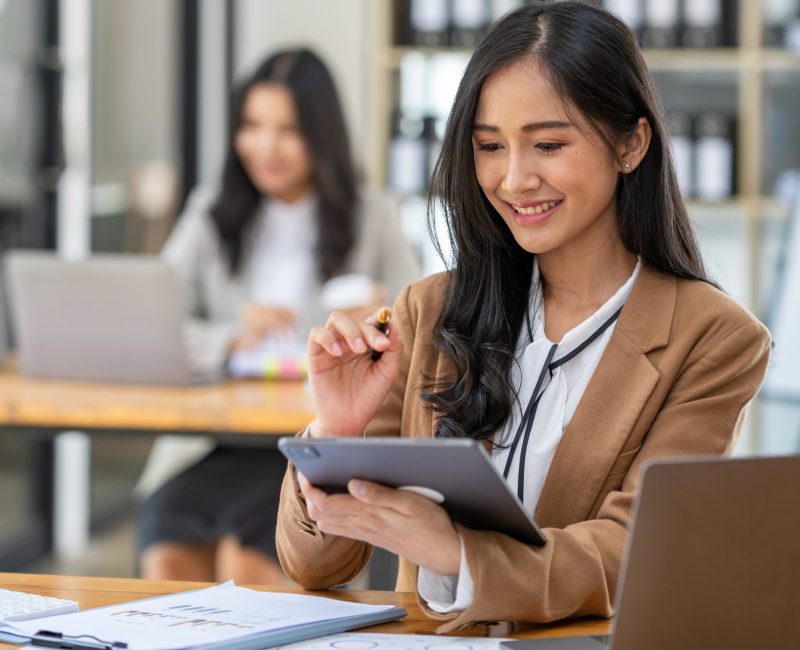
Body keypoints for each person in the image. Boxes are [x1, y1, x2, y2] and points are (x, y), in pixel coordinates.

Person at [275, 2, 771, 633]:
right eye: (489, 146)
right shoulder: (427, 310)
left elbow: (637, 553)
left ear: (631, 144)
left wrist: (459, 554)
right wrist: (335, 438)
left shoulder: (715, 339)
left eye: (548, 144)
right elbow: (314, 567)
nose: (513, 179)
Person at [136, 48, 420, 584]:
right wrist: (232, 339)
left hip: (308, 443)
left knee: (252, 570)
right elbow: (155, 320)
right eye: (251, 126)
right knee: (167, 561)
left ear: (321, 134)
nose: (265, 147)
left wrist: (381, 320)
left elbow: (420, 322)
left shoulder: (371, 216)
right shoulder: (212, 210)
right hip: (213, 443)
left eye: (287, 129)